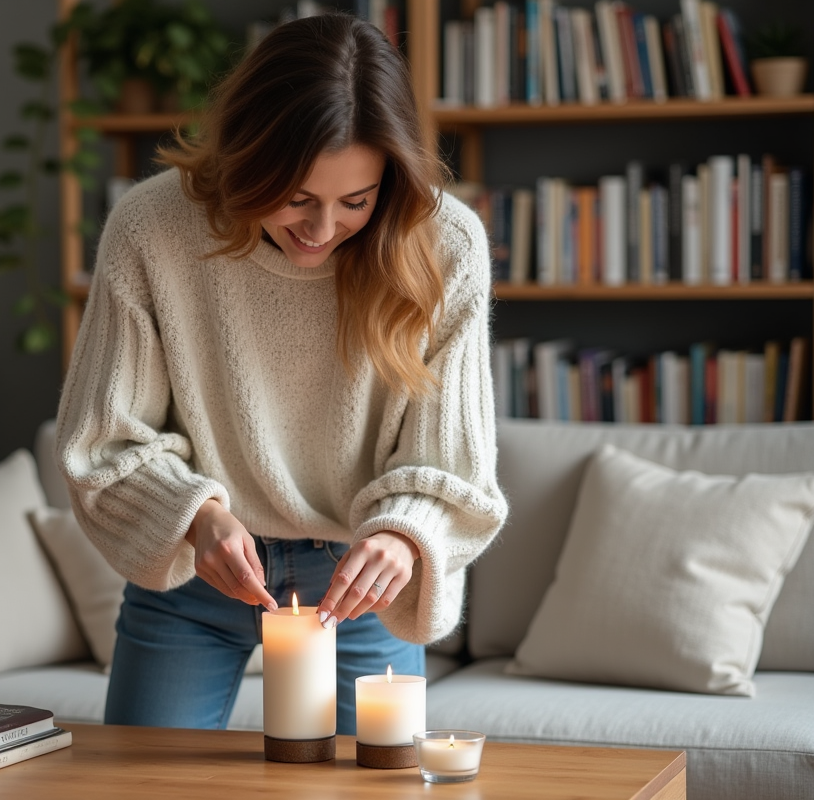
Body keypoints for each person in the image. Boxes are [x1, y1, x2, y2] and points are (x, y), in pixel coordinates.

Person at [55, 12, 508, 734]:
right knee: (139, 788)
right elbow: (101, 442)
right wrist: (200, 521)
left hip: (362, 581)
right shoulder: (152, 229)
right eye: (295, 197)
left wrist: (401, 536)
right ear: (246, 157)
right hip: (195, 572)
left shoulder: (444, 244)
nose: (322, 229)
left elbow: (453, 462)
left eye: (355, 202)